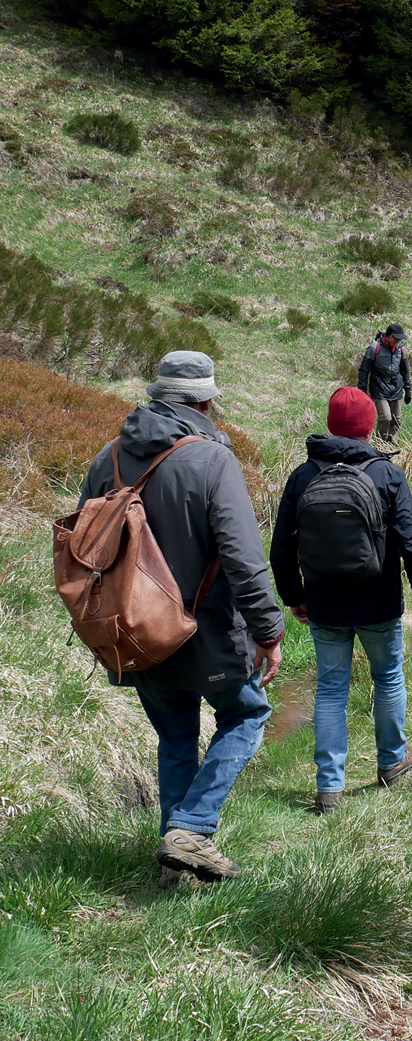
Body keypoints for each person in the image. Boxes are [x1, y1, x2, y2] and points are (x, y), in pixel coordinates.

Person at [78, 351, 285, 884]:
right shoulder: (213, 459)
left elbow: (83, 552)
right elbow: (242, 557)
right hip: (205, 631)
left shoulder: (108, 459)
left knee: (174, 737)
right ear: (207, 401)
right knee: (246, 716)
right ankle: (191, 830)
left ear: (156, 394)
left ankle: (177, 866)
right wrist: (268, 629)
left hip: (134, 633)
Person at [270, 387, 412, 813]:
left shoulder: (303, 476)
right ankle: (392, 762)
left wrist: (295, 596)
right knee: (389, 678)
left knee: (329, 691)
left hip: (324, 602)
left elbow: (281, 549)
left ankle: (329, 787)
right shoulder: (386, 474)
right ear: (368, 427)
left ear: (330, 424)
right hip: (377, 601)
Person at [357, 323, 412, 448]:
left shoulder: (400, 350)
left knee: (396, 419)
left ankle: (392, 447)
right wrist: (362, 391)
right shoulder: (374, 348)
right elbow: (364, 371)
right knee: (385, 418)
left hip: (396, 389)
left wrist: (408, 389)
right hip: (379, 389)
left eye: (400, 339)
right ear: (389, 336)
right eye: (396, 338)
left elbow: (405, 371)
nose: (398, 341)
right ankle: (380, 447)